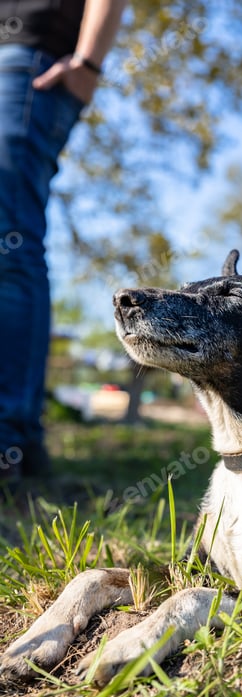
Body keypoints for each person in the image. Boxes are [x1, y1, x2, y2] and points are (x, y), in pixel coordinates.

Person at [0, 0, 126, 483]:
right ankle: (20, 441)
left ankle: (11, 438)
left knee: (10, 243)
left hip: (30, 60)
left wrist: (89, 64)